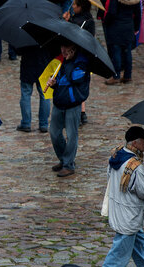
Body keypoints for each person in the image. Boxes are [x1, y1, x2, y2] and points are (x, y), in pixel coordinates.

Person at [93, 126, 144, 267]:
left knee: (139, 245)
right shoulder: (134, 166)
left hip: (120, 208)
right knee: (121, 250)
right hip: (129, 214)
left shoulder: (116, 154)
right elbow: (143, 192)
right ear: (135, 142)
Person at [46, 42, 90, 177]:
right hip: (59, 102)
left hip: (73, 104)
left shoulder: (81, 62)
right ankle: (64, 159)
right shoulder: (63, 62)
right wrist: (54, 83)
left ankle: (68, 165)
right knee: (54, 133)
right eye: (62, 47)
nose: (63, 50)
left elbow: (75, 78)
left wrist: (68, 63)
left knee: (71, 135)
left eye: (66, 47)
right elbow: (62, 82)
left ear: (74, 48)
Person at [65, 0, 94, 124]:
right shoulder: (87, 20)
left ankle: (79, 112)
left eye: (75, 5)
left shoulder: (81, 21)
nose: (72, 6)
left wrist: (66, 22)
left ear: (80, 7)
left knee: (75, 82)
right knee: (80, 83)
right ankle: (82, 112)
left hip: (79, 57)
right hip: (83, 57)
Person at [98, 0, 140, 85]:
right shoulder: (135, 1)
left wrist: (106, 22)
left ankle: (116, 76)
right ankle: (128, 75)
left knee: (116, 51)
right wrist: (136, 27)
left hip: (116, 26)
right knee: (127, 52)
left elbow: (111, 12)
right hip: (128, 26)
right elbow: (138, 14)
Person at [16, 45, 51, 133]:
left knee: (26, 94)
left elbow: (18, 50)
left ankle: (26, 123)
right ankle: (43, 124)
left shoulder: (26, 32)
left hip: (28, 65)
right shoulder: (50, 33)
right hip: (44, 65)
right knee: (45, 95)